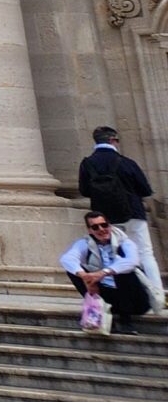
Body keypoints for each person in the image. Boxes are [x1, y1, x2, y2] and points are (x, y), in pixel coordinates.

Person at [78, 126, 161, 299]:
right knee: (145, 253)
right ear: (113, 140)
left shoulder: (87, 164)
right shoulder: (125, 162)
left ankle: (127, 295)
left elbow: (84, 190)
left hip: (106, 218)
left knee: (115, 256)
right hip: (133, 214)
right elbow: (145, 189)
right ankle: (157, 294)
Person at [61, 210, 152, 331]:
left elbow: (131, 261)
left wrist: (103, 273)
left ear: (110, 225)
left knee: (123, 271)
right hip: (107, 295)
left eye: (104, 225)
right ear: (90, 230)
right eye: (95, 227)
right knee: (73, 271)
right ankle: (104, 317)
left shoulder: (124, 242)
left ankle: (126, 322)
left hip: (134, 299)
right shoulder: (85, 243)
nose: (101, 229)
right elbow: (67, 259)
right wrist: (86, 278)